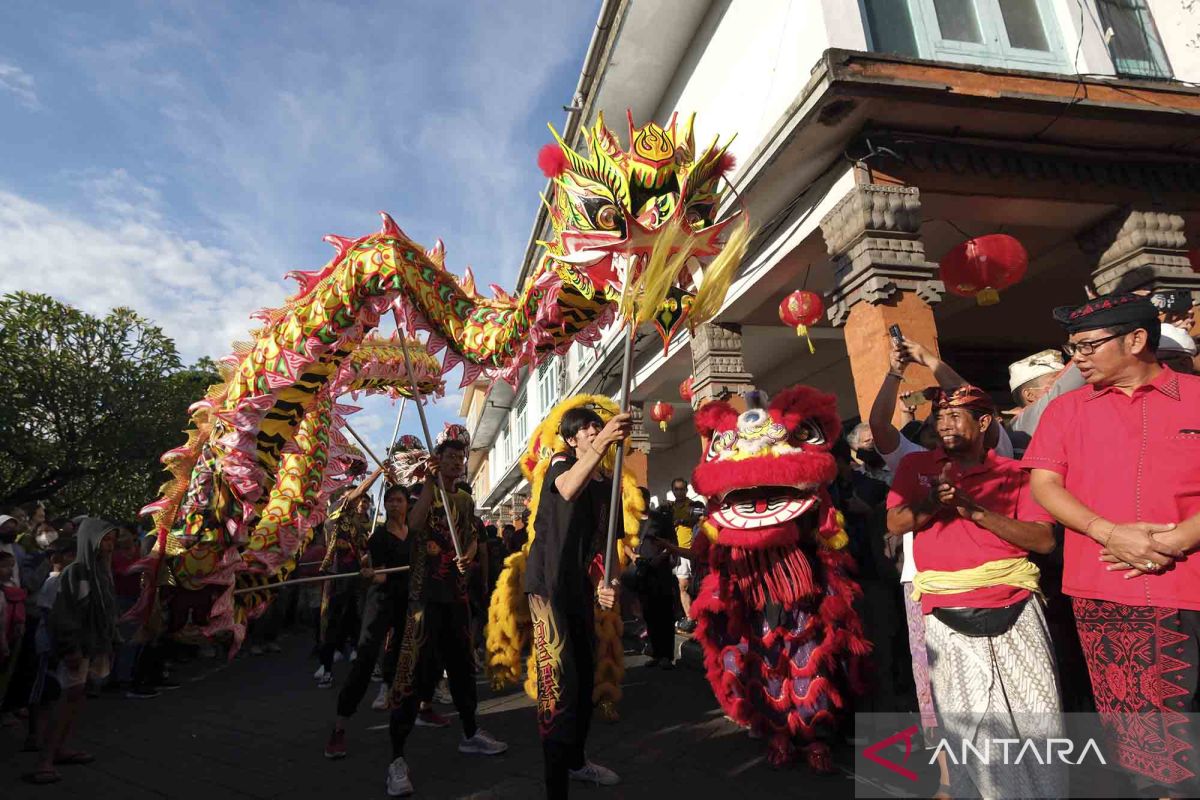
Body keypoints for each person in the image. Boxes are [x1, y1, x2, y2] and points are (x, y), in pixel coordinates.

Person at [1024, 292, 1200, 797]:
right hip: (1110, 588)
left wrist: (1178, 539)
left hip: (1191, 575)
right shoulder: (1064, 411)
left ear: (1137, 340)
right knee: (1147, 740)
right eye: (1072, 346)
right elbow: (1045, 486)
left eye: (1087, 345)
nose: (1075, 357)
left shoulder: (1195, 394)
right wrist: (1109, 532)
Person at [887, 384, 1062, 798]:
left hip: (1015, 605)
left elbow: (1043, 541)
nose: (944, 425)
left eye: (955, 416)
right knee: (969, 723)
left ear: (984, 423)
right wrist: (933, 503)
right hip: (947, 611)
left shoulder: (1015, 473)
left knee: (1037, 715)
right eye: (939, 418)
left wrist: (973, 509)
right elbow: (895, 523)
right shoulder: (915, 468)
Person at [385, 426, 505, 797]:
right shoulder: (423, 493)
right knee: (413, 673)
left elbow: (470, 536)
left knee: (463, 669)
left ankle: (470, 732)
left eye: (460, 457)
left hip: (456, 596)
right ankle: (397, 759)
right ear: (437, 460)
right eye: (449, 457)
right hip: (424, 598)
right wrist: (431, 484)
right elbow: (414, 526)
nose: (456, 462)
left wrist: (468, 556)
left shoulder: (466, 502)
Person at [525, 406, 629, 798]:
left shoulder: (611, 483)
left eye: (598, 426)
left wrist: (610, 581)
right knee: (559, 690)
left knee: (585, 680)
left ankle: (577, 761)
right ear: (571, 439)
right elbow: (568, 488)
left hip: (580, 591)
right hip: (548, 588)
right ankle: (556, 789)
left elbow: (610, 546)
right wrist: (602, 443)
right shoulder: (561, 463)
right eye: (586, 428)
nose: (595, 430)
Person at [326, 483, 444, 759]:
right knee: (365, 662)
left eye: (399, 500)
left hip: (406, 605)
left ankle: (409, 713)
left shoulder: (413, 535)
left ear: (407, 505)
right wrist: (369, 574)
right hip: (380, 603)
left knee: (408, 660)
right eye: (389, 500)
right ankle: (339, 727)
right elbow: (381, 575)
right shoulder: (378, 537)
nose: (394, 505)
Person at [31, 519, 120, 784]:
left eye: (112, 540)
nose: (109, 546)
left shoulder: (100, 571)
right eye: (105, 540)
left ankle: (61, 748)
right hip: (75, 649)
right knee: (64, 700)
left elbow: (105, 611)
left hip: (91, 646)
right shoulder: (77, 573)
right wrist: (71, 649)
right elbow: (64, 617)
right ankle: (45, 760)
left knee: (75, 700)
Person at [316, 464, 386, 687]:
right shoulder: (336, 511)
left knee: (356, 617)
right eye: (354, 497)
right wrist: (377, 472)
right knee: (330, 621)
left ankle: (354, 652)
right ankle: (326, 667)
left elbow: (363, 547)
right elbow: (358, 490)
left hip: (355, 576)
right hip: (336, 576)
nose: (358, 500)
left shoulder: (356, 523)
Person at [24, 538, 74, 756]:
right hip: (49, 644)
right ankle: (34, 735)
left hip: (60, 644)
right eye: (71, 555)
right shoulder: (53, 582)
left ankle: (45, 736)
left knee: (53, 693)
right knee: (42, 692)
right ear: (57, 559)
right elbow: (48, 615)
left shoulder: (70, 580)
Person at [634, 491, 680, 669]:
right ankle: (655, 652)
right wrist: (634, 557)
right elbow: (625, 543)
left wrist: (660, 558)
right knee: (649, 613)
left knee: (664, 613)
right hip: (643, 571)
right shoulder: (633, 519)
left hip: (661, 571)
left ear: (646, 499)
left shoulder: (660, 518)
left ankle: (667, 657)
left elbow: (672, 544)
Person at [665, 478, 698, 633]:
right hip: (676, 551)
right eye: (676, 489)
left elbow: (698, 518)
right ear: (673, 491)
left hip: (692, 549)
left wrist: (683, 520)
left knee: (696, 585)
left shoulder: (693, 505)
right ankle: (690, 618)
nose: (679, 492)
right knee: (683, 585)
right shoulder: (669, 507)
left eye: (682, 489)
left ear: (686, 490)